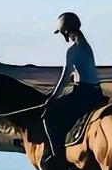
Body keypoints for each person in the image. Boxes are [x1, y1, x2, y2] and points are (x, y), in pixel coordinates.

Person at [42, 12, 107, 159]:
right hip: (97, 92)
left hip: (83, 94)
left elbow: (65, 78)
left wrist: (53, 98)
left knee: (50, 116)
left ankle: (57, 158)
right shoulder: (85, 45)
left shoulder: (73, 49)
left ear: (65, 31)